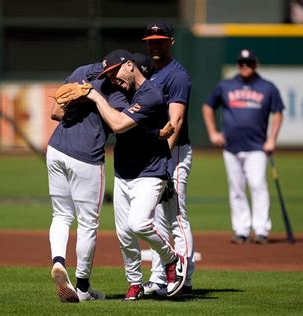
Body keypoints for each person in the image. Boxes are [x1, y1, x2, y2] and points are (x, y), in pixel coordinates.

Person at [47, 59, 174, 303]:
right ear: (122, 66)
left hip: (55, 150)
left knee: (61, 216)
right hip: (86, 157)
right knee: (87, 224)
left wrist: (80, 101)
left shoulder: (80, 70)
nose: (114, 78)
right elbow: (120, 125)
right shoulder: (116, 92)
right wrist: (156, 133)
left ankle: (58, 262)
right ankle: (83, 288)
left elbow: (55, 112)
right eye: (113, 73)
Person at [86, 48, 188, 300]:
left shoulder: (151, 95)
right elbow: (133, 130)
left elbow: (119, 125)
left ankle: (171, 259)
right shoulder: (119, 91)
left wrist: (96, 98)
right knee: (124, 234)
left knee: (138, 223)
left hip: (150, 171)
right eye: (107, 74)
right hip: (123, 171)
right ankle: (135, 283)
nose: (112, 78)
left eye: (115, 71)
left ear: (130, 66)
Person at [202, 49, 285, 245]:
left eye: (248, 63)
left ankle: (262, 229)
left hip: (256, 146)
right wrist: (213, 132)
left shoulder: (267, 87)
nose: (244, 66)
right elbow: (207, 106)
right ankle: (241, 230)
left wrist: (272, 138)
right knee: (236, 189)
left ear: (256, 64)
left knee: (258, 186)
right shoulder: (226, 85)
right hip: (231, 146)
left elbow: (278, 112)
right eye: (241, 63)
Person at [141, 21, 195, 296]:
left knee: (176, 216)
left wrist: (163, 161)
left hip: (172, 152)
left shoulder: (177, 76)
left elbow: (176, 121)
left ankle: (184, 278)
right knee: (155, 218)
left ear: (171, 42)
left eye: (160, 40)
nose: (155, 45)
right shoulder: (150, 72)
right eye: (151, 40)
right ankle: (160, 277)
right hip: (156, 154)